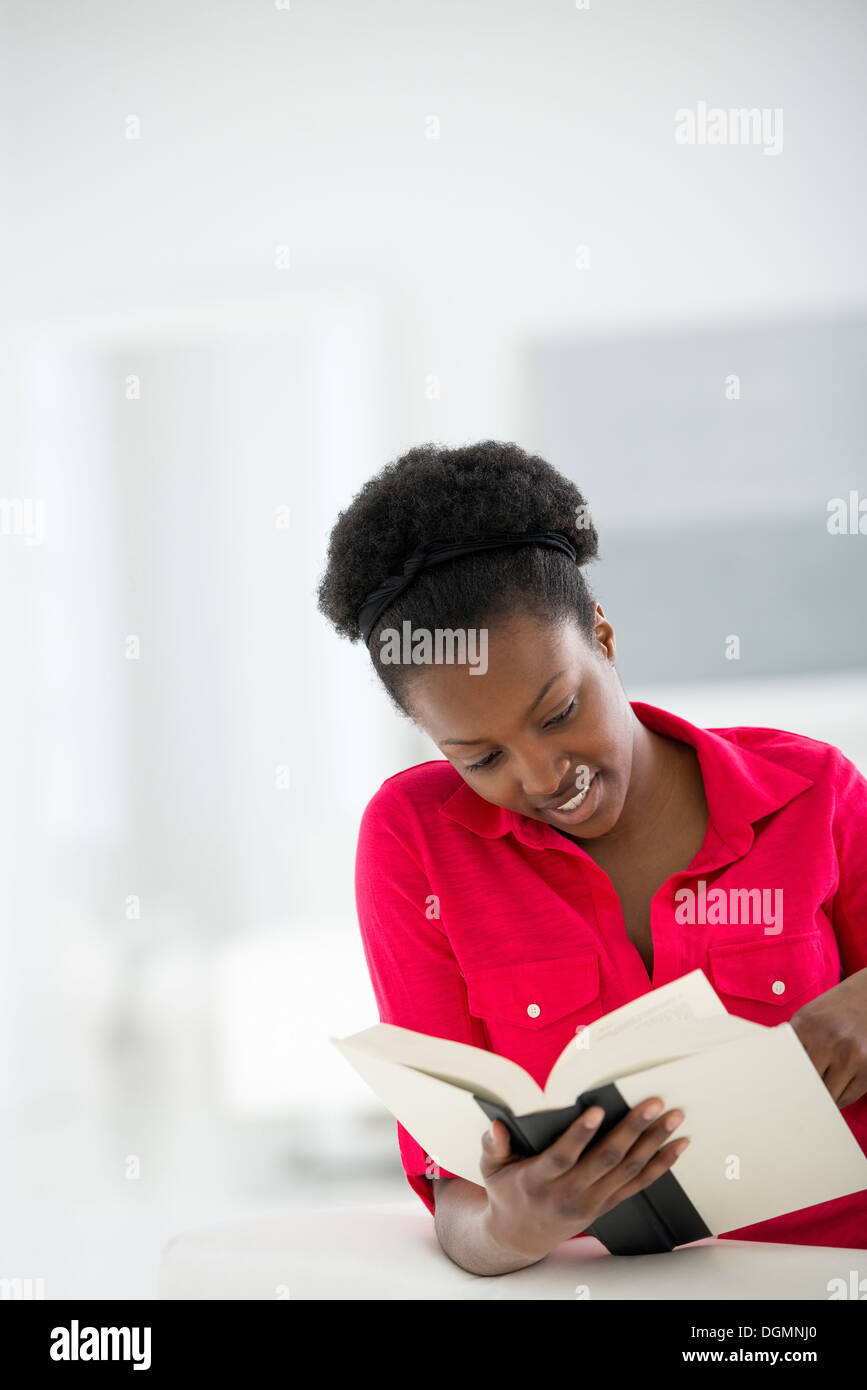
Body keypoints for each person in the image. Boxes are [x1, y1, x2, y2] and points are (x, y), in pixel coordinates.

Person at [317, 440, 867, 1275]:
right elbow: (458, 1200)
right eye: (481, 758)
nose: (543, 777)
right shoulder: (414, 841)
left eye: (559, 711)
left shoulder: (809, 790)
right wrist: (515, 1226)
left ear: (602, 636)